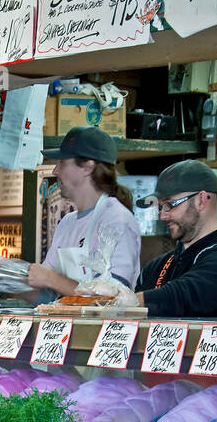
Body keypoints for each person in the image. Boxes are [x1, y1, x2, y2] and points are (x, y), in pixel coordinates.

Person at [27, 127, 141, 297]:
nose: (55, 171)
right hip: (67, 323)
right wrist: (0, 274)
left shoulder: (116, 218)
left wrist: (51, 279)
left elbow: (114, 296)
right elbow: (47, 296)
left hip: (103, 324)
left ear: (87, 167)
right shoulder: (67, 223)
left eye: (62, 163)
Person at [136, 161, 217, 319]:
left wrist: (130, 300)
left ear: (201, 200)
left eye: (170, 205)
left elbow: (184, 296)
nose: (162, 215)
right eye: (160, 207)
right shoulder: (155, 268)